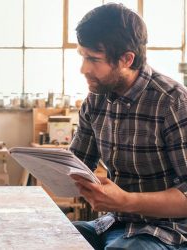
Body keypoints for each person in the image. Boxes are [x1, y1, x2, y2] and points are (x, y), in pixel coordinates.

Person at [69, 3, 187, 249]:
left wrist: (125, 201)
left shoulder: (173, 103)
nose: (84, 69)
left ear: (126, 59)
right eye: (82, 56)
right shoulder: (96, 100)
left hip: (169, 228)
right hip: (116, 223)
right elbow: (76, 164)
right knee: (55, 236)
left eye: (93, 59)